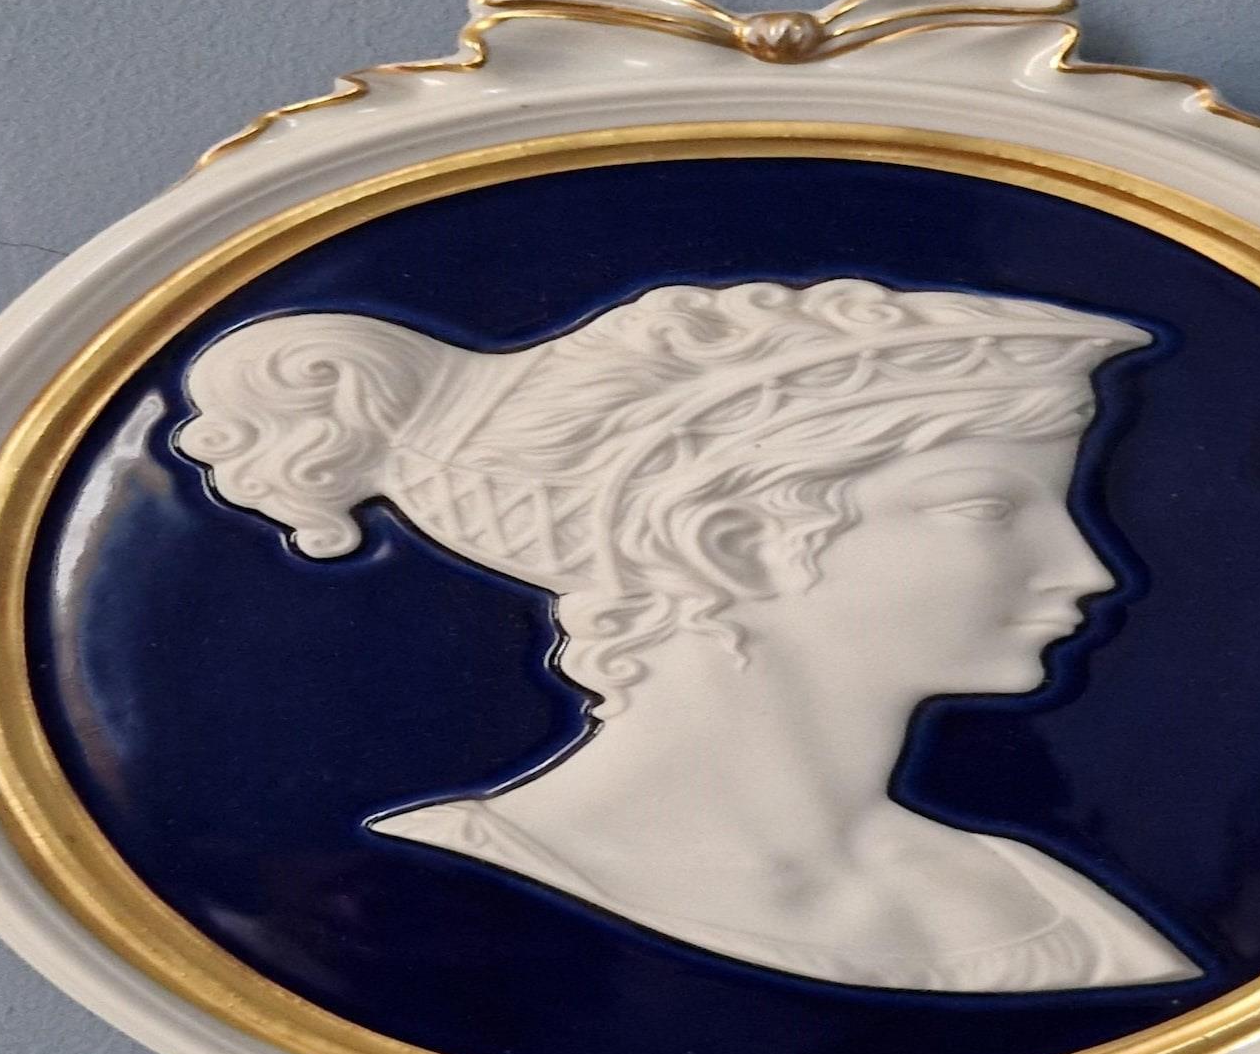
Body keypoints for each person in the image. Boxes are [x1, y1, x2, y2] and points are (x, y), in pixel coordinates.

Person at [178, 279, 1199, 992]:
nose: (1088, 569)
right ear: (734, 544)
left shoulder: (1039, 909)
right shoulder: (434, 900)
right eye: (987, 509)